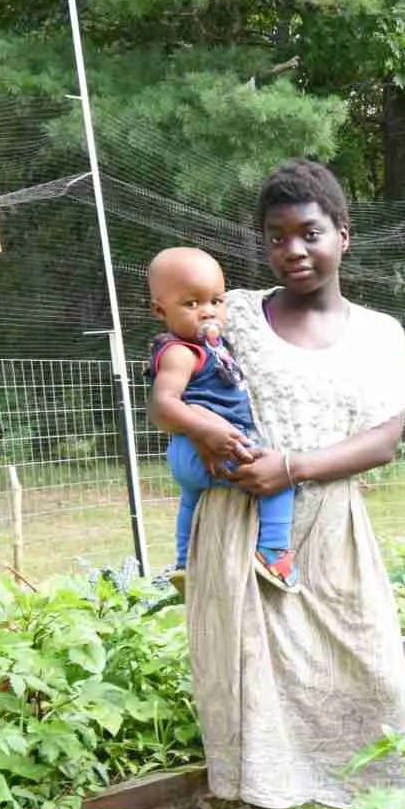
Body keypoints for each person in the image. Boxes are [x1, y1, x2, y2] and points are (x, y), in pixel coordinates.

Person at [186, 159, 405, 809]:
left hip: (332, 530)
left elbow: (384, 440)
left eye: (310, 233)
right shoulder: (234, 318)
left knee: (374, 668)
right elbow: (181, 371)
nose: (293, 249)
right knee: (258, 677)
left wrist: (292, 465)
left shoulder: (380, 333)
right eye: (276, 236)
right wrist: (204, 436)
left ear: (344, 237)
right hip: (244, 528)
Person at [144, 246, 296, 592]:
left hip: (187, 453)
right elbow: (164, 403)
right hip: (207, 445)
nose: (207, 312)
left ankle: (184, 563)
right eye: (191, 304)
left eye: (216, 301)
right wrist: (207, 430)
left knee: (190, 499)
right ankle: (274, 553)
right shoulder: (180, 352)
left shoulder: (211, 347)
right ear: (160, 309)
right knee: (282, 476)